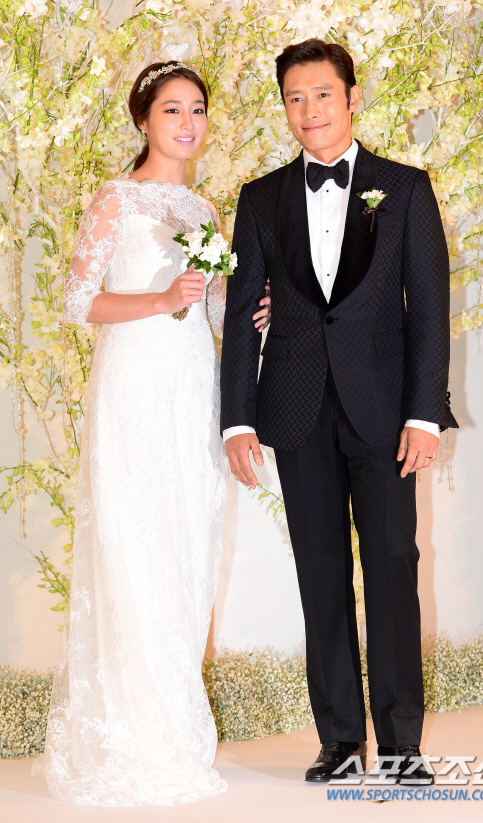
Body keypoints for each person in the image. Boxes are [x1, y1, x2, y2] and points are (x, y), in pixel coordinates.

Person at [32, 61, 271, 806]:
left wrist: (251, 313)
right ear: (144, 120)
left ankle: (175, 728)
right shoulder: (116, 199)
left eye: (197, 109)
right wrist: (161, 298)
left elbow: (215, 309)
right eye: (172, 110)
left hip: (191, 391)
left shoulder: (203, 208)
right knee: (135, 547)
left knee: (187, 543)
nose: (188, 123)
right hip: (133, 389)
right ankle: (136, 739)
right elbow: (79, 302)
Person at [221, 39, 458, 784]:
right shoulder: (260, 198)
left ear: (352, 97)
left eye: (322, 94)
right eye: (294, 98)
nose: (309, 110)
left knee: (392, 571)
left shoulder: (405, 188)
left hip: (386, 413)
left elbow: (430, 310)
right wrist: (236, 418)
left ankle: (402, 747)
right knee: (320, 576)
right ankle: (340, 742)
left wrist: (425, 413)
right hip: (295, 411)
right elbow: (241, 312)